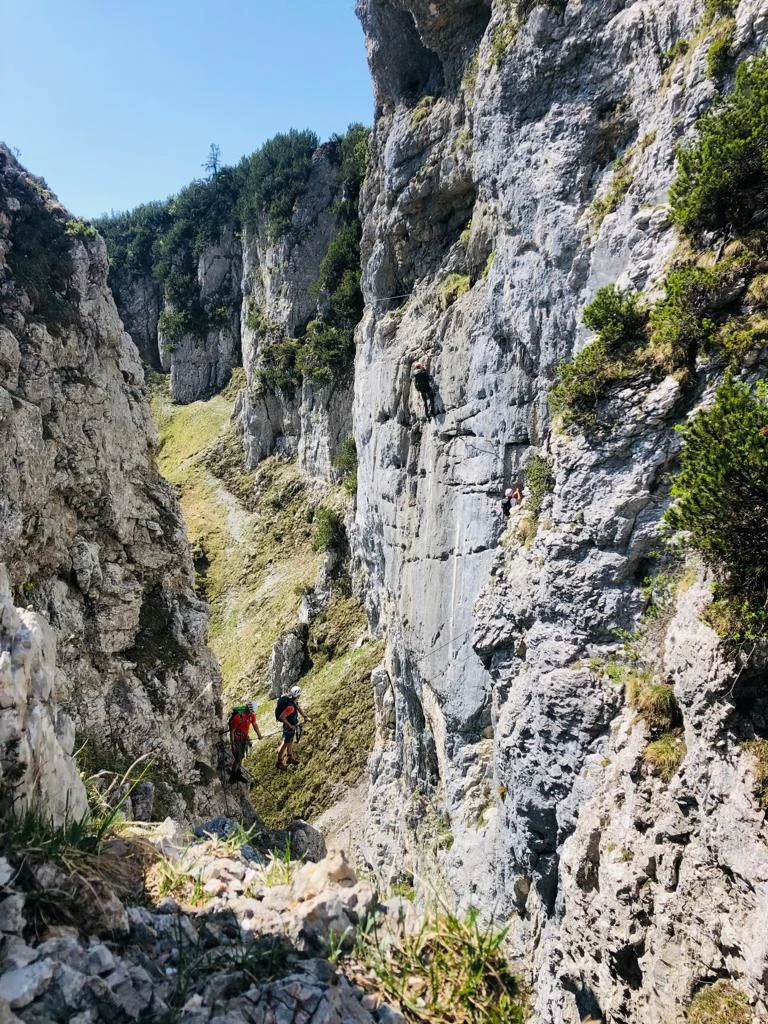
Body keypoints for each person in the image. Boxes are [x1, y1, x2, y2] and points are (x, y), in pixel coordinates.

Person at [275, 686, 311, 770]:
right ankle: (279, 762)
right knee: (285, 743)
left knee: (290, 741)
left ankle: (289, 757)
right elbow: (281, 717)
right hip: (289, 727)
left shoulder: (293, 701)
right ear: (298, 695)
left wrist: (305, 716)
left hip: (291, 726)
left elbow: (298, 708)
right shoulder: (290, 706)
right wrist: (289, 725)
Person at [227, 700, 262, 783]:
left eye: (251, 712)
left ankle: (238, 772)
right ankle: (233, 775)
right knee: (238, 758)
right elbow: (232, 731)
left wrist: (259, 735)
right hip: (237, 739)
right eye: (250, 711)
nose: (251, 713)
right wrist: (233, 745)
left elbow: (254, 725)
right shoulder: (238, 717)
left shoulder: (251, 715)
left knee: (241, 756)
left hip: (244, 738)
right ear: (247, 709)